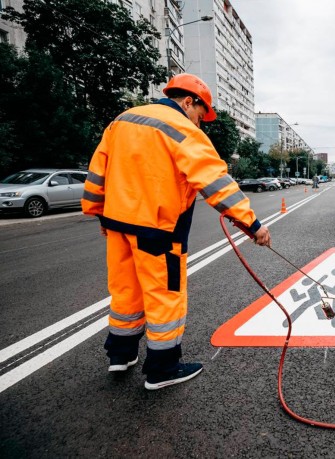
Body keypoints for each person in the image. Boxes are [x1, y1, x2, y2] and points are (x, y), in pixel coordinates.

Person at [82, 73, 271, 390]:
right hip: (158, 230)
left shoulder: (122, 121)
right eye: (201, 114)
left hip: (116, 224)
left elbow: (98, 169)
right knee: (164, 298)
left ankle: (120, 355)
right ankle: (163, 369)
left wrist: (98, 212)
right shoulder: (183, 130)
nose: (201, 122)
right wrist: (251, 225)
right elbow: (217, 183)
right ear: (189, 101)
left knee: (125, 293)